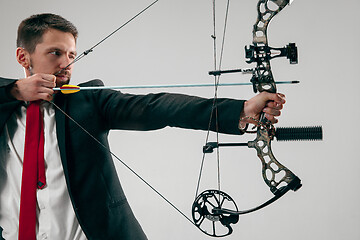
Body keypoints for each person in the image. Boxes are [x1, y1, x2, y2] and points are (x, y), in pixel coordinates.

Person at [0, 13, 285, 240]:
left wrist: (240, 109)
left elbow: (156, 107)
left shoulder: (89, 100)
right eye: (55, 53)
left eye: (71, 55)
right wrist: (13, 91)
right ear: (23, 57)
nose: (66, 64)